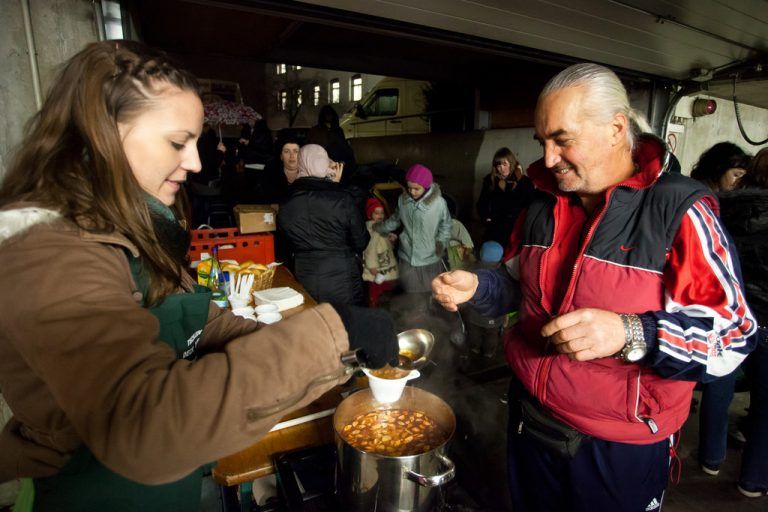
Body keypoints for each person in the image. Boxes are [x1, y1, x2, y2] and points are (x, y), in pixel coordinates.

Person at [0, 40, 397, 511]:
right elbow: (143, 427)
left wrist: (327, 344)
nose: (196, 163)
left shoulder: (123, 224)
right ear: (104, 131)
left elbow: (193, 319)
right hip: (97, 494)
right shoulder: (52, 247)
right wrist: (331, 333)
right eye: (176, 142)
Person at [432, 63, 757, 511]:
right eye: (542, 142)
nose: (547, 159)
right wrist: (477, 286)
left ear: (615, 128)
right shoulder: (542, 206)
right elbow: (512, 286)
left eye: (562, 140)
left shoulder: (679, 212)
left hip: (616, 447)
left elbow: (734, 337)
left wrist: (630, 332)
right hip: (530, 420)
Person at [688, 141, 753, 477]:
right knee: (720, 376)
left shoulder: (708, 197)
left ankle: (709, 452)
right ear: (719, 169)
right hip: (711, 302)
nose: (738, 181)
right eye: (736, 173)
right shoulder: (705, 201)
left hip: (709, 301)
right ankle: (714, 455)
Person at [716, 147, 768, 497]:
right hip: (766, 314)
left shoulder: (724, 205)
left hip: (728, 310)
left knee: (720, 383)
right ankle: (753, 479)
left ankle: (710, 456)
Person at [277, 144, 369, 306]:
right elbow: (361, 241)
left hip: (304, 277)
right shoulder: (342, 200)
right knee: (344, 325)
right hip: (343, 278)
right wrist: (335, 187)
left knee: (315, 325)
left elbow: (284, 245)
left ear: (301, 164)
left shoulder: (286, 203)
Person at [373, 164, 452, 301]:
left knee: (432, 292)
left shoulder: (439, 204)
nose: (412, 192)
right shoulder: (403, 201)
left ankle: (430, 317)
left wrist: (440, 244)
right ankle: (414, 318)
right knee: (411, 294)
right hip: (407, 257)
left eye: (417, 189)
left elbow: (445, 226)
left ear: (426, 187)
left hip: (430, 258)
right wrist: (379, 227)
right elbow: (395, 220)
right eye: (409, 188)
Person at [476, 147, 534, 245]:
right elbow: (482, 203)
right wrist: (486, 218)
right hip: (495, 227)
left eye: (504, 164)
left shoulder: (525, 182)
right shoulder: (490, 181)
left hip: (518, 228)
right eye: (498, 165)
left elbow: (530, 206)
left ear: (511, 163)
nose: (502, 168)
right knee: (490, 255)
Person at [362, 198, 398, 307]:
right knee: (378, 296)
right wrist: (374, 270)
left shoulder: (382, 229)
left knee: (385, 295)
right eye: (376, 213)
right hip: (377, 272)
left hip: (385, 268)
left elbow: (385, 247)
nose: (380, 215)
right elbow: (370, 251)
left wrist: (391, 240)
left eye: (382, 213)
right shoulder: (373, 230)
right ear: (369, 215)